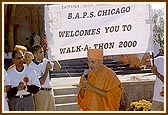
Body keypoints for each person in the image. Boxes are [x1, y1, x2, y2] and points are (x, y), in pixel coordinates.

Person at [29, 45, 61, 111]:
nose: (43, 53)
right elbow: (41, 81)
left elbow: (58, 67)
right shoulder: (32, 65)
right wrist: (47, 69)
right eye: (40, 52)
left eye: (43, 51)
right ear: (35, 54)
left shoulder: (45, 61)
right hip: (41, 92)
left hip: (50, 91)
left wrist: (51, 56)